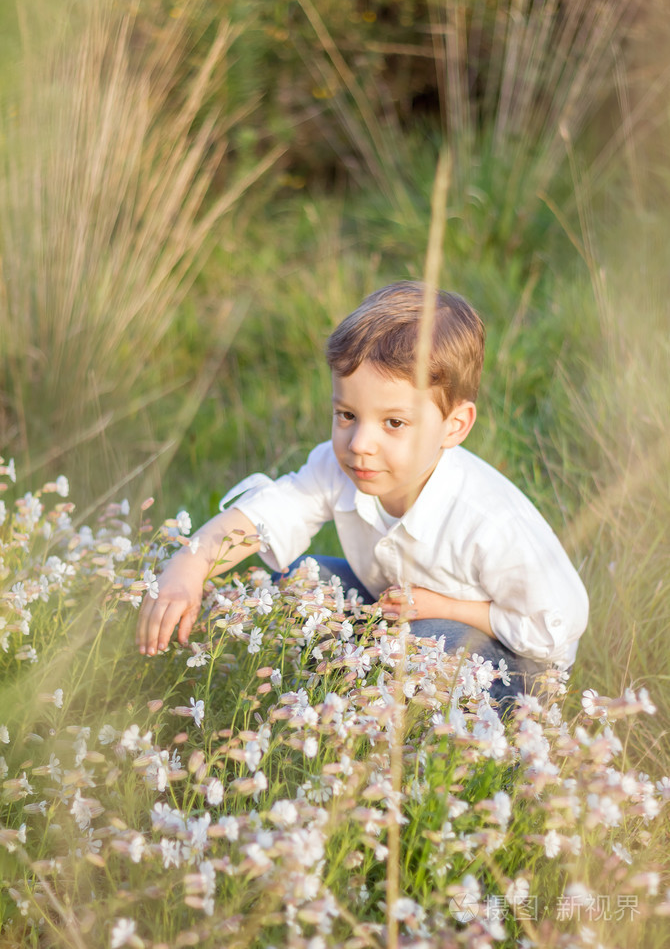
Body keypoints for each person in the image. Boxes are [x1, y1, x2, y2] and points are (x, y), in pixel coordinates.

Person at [136, 282, 588, 709]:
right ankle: (326, 692)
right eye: (347, 414)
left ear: (455, 425)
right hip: (402, 622)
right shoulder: (341, 468)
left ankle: (398, 727)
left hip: (512, 671)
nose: (359, 444)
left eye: (394, 423)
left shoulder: (487, 520)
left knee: (424, 642)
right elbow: (271, 512)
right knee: (299, 582)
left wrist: (445, 607)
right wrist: (190, 564)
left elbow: (555, 626)